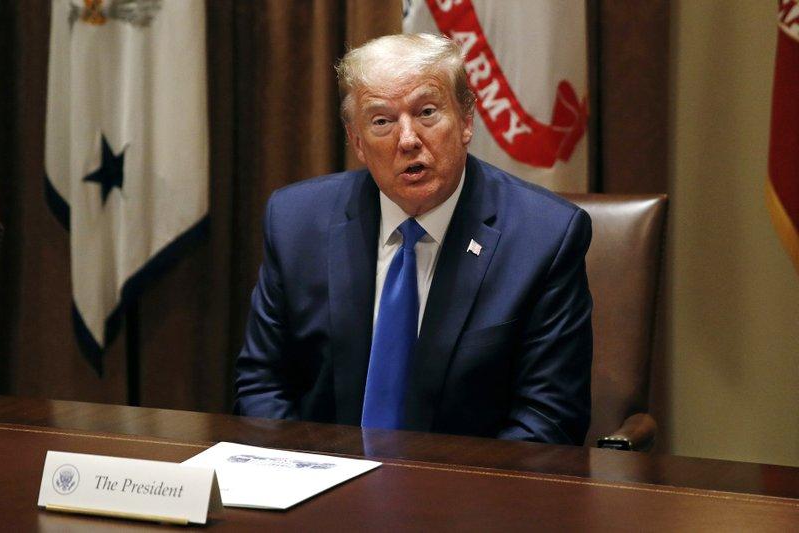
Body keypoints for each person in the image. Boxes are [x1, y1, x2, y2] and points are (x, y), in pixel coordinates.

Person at [234, 33, 593, 445]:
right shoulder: (295, 222)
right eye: (381, 121)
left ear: (466, 121)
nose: (407, 139)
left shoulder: (544, 237)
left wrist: (437, 488)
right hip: (322, 477)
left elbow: (549, 419)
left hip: (466, 483)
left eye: (426, 112)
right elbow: (262, 384)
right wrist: (301, 473)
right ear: (357, 142)